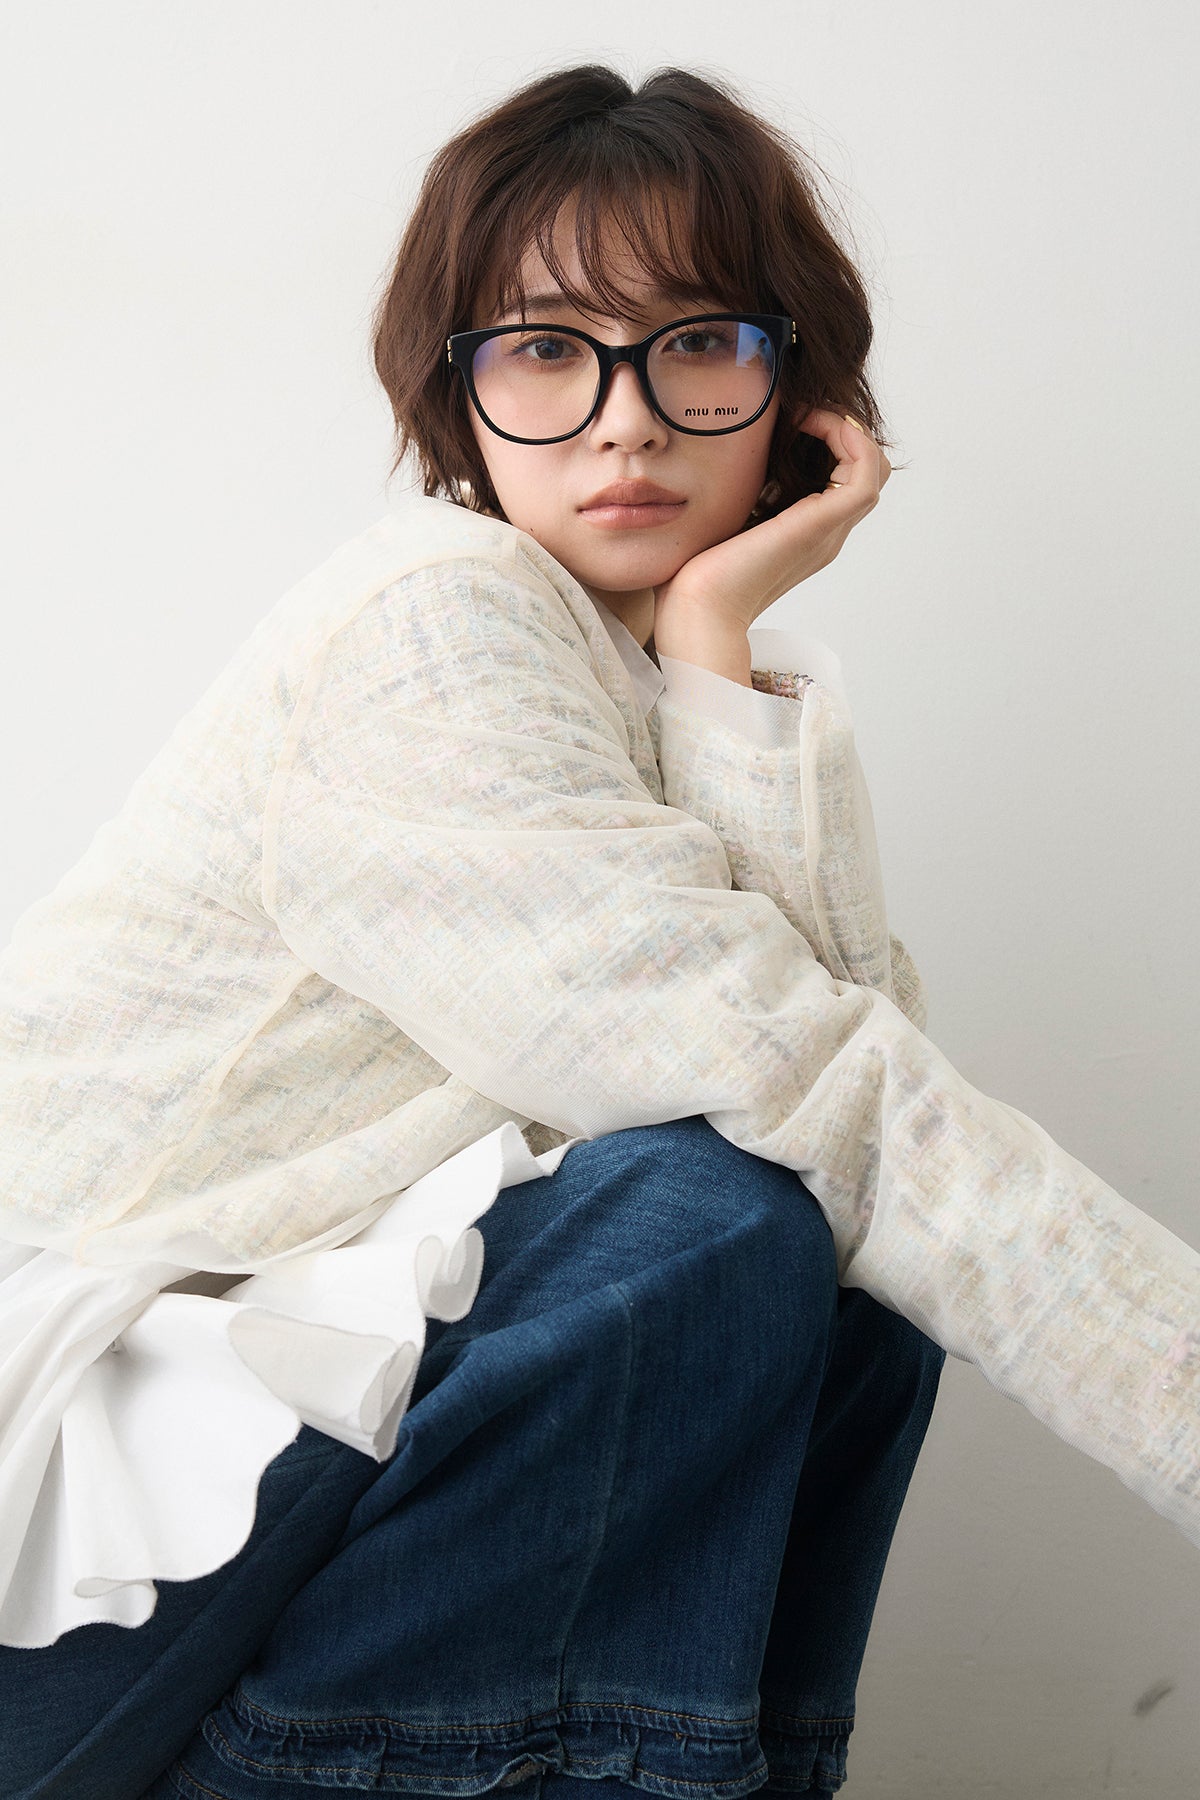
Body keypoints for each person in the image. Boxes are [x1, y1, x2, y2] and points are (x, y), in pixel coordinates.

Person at [0, 61, 1195, 1800]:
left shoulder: (619, 661)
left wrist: (713, 638)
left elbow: (834, 1093)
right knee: (705, 1218)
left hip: (262, 1488)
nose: (625, 422)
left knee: (839, 1273)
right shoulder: (434, 624)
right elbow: (807, 1087)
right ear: (458, 390)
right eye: (547, 350)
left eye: (695, 343)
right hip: (85, 1545)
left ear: (795, 386)